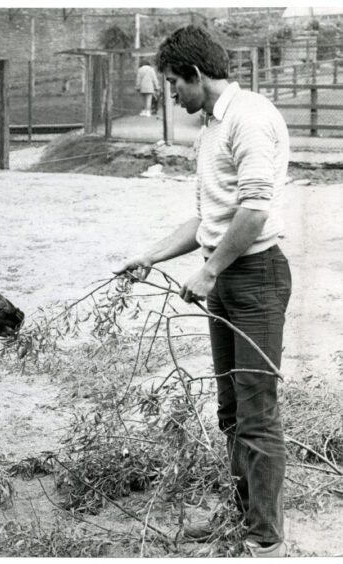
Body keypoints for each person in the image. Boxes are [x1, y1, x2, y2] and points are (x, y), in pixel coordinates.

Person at [114, 25, 291, 558]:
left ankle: (264, 539)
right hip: (229, 273)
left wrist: (210, 271)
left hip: (256, 276)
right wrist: (151, 254)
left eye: (173, 83)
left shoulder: (250, 118)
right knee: (231, 409)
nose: (170, 94)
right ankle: (244, 517)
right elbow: (209, 219)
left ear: (196, 75)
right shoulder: (212, 125)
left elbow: (254, 209)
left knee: (257, 412)